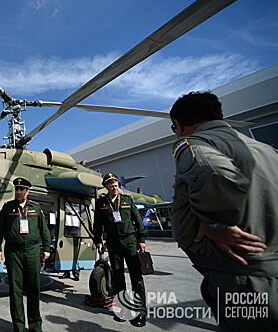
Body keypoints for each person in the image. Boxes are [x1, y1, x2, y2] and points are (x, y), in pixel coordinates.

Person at [170, 91, 277, 330]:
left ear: (178, 125)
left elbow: (213, 173)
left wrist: (217, 223)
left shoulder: (195, 145)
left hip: (241, 275)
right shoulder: (265, 150)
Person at [0, 177, 51, 332]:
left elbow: (44, 230)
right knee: (15, 290)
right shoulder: (7, 208)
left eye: (22, 189)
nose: (18, 192)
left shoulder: (36, 208)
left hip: (32, 252)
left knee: (33, 289)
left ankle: (35, 326)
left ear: (27, 191)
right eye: (16, 189)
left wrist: (46, 248)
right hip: (13, 253)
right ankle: (18, 327)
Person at [93, 173, 148, 327]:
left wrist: (141, 239)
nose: (114, 186)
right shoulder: (101, 203)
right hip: (113, 243)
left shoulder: (127, 200)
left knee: (136, 278)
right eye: (111, 184)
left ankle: (140, 312)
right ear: (106, 186)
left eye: (116, 183)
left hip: (130, 242)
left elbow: (138, 221)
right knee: (117, 278)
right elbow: (98, 224)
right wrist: (98, 240)